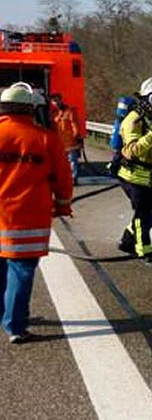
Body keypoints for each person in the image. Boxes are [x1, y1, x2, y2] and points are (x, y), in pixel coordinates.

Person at [0, 82, 73, 344]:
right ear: (31, 109)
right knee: (21, 270)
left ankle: (5, 314)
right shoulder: (46, 139)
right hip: (27, 219)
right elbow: (63, 178)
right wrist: (63, 205)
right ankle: (15, 325)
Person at [116, 76, 152, 269]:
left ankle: (127, 239)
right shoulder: (133, 120)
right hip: (134, 176)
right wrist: (151, 135)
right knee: (142, 214)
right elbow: (132, 151)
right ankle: (145, 252)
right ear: (144, 98)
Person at [50, 94, 82, 185]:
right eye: (53, 101)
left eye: (56, 101)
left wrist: (77, 137)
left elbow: (75, 125)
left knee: (72, 161)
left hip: (70, 142)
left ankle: (73, 179)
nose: (55, 103)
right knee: (60, 164)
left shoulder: (70, 111)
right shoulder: (53, 114)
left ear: (60, 100)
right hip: (59, 143)